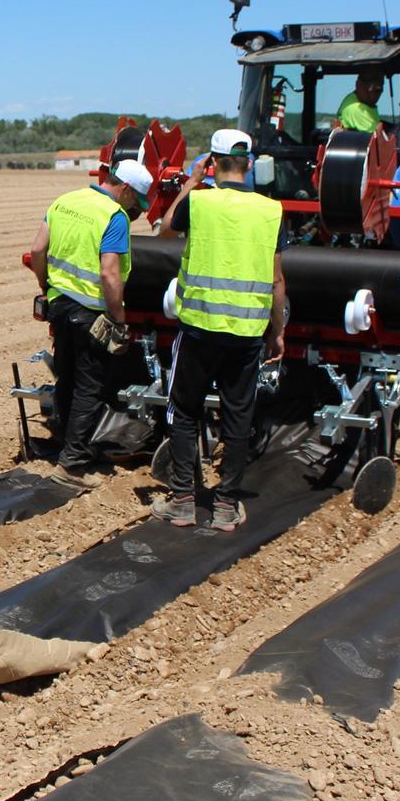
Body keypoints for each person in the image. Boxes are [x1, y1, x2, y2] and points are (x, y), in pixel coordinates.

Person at [151, 129, 287, 531]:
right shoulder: (270, 210)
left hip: (198, 329)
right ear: (249, 163)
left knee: (185, 410)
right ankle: (226, 506)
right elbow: (278, 281)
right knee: (238, 415)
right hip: (247, 333)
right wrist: (277, 331)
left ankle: (181, 501)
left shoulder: (198, 201)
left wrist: (193, 180)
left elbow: (164, 231)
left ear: (213, 162)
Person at [27, 159, 153, 489]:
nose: (135, 208)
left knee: (66, 380)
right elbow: (109, 273)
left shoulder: (65, 201)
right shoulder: (114, 217)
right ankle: (73, 466)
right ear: (125, 189)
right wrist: (118, 319)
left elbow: (38, 249)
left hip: (59, 306)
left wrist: (46, 287)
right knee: (89, 387)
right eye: (135, 200)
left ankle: (64, 450)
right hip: (91, 314)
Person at [336, 68, 389, 133]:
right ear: (357, 85)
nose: (372, 96)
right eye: (367, 90)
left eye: (377, 91)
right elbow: (379, 136)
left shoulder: (359, 99)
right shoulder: (355, 109)